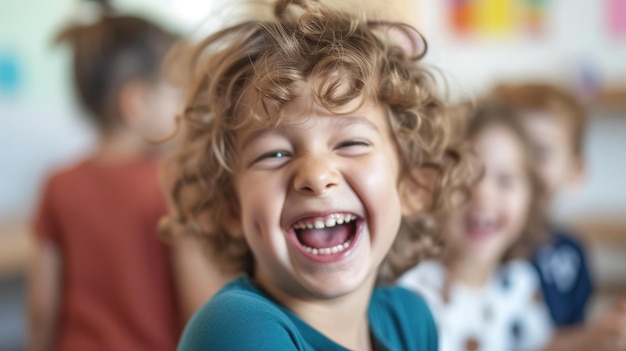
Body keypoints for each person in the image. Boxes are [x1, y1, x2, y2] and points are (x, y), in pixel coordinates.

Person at [159, 0, 470, 349]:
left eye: (351, 143)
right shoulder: (237, 329)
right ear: (230, 206)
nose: (317, 175)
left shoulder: (409, 319)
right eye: (274, 154)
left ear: (413, 185)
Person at [28, 3, 234, 351]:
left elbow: (41, 308)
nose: (190, 105)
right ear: (137, 101)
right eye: (179, 90)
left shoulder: (58, 184)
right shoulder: (175, 185)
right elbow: (201, 311)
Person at [399, 102, 554, 351]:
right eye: (464, 180)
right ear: (432, 193)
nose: (482, 196)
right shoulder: (413, 295)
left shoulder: (522, 285)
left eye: (504, 180)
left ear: (531, 195)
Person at [492, 83, 626, 350]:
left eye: (540, 152)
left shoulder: (572, 255)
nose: (523, 164)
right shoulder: (483, 245)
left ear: (575, 171)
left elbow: (575, 332)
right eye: (516, 147)